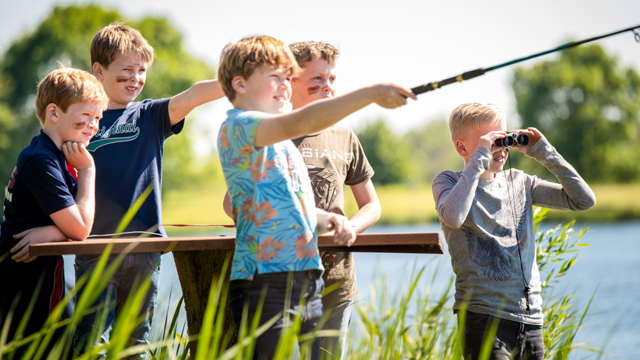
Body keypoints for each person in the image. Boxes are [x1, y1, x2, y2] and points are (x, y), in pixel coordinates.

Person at [218, 35, 415, 360]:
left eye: (286, 77)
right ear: (239, 84)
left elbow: (292, 206)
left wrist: (331, 220)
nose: (284, 85)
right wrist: (371, 94)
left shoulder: (280, 145)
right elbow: (306, 119)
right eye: (275, 78)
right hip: (264, 280)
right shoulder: (240, 127)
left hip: (306, 277)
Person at [69, 23, 225, 358]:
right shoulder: (80, 122)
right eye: (126, 70)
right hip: (94, 250)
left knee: (135, 345)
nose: (135, 79)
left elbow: (194, 94)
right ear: (99, 70)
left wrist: (242, 80)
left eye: (141, 71)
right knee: (90, 343)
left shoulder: (150, 114)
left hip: (144, 251)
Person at [431, 102, 596, 360]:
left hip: (531, 319)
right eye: (493, 141)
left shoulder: (521, 182)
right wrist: (479, 158)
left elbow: (583, 200)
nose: (502, 149)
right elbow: (453, 217)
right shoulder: (449, 182)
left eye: (505, 139)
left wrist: (544, 152)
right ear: (462, 148)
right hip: (483, 317)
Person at [0, 67, 108, 353]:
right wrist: (88, 169)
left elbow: (73, 226)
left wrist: (50, 231)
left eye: (97, 117)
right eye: (85, 115)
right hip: (23, 278)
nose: (93, 124)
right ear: (54, 112)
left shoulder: (55, 155)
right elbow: (81, 229)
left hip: (41, 273)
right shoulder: (41, 161)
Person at [288, 41, 380, 359]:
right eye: (316, 79)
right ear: (288, 80)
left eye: (331, 79)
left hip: (336, 280)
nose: (327, 86)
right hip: (283, 278)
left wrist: (351, 227)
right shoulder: (272, 134)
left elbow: (372, 205)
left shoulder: (346, 138)